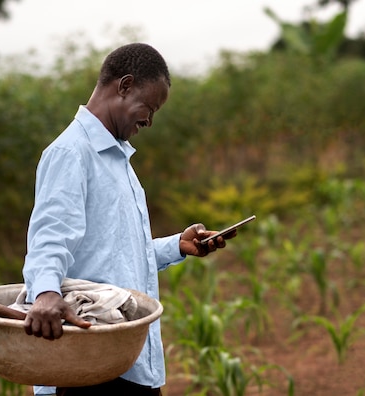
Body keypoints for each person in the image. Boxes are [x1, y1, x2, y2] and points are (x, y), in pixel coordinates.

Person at [21, 43, 236, 396]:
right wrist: (44, 293)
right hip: (87, 359)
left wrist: (176, 246)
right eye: (148, 108)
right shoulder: (71, 153)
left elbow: (114, 252)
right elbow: (50, 236)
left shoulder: (118, 160)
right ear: (124, 86)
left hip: (126, 359)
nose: (149, 121)